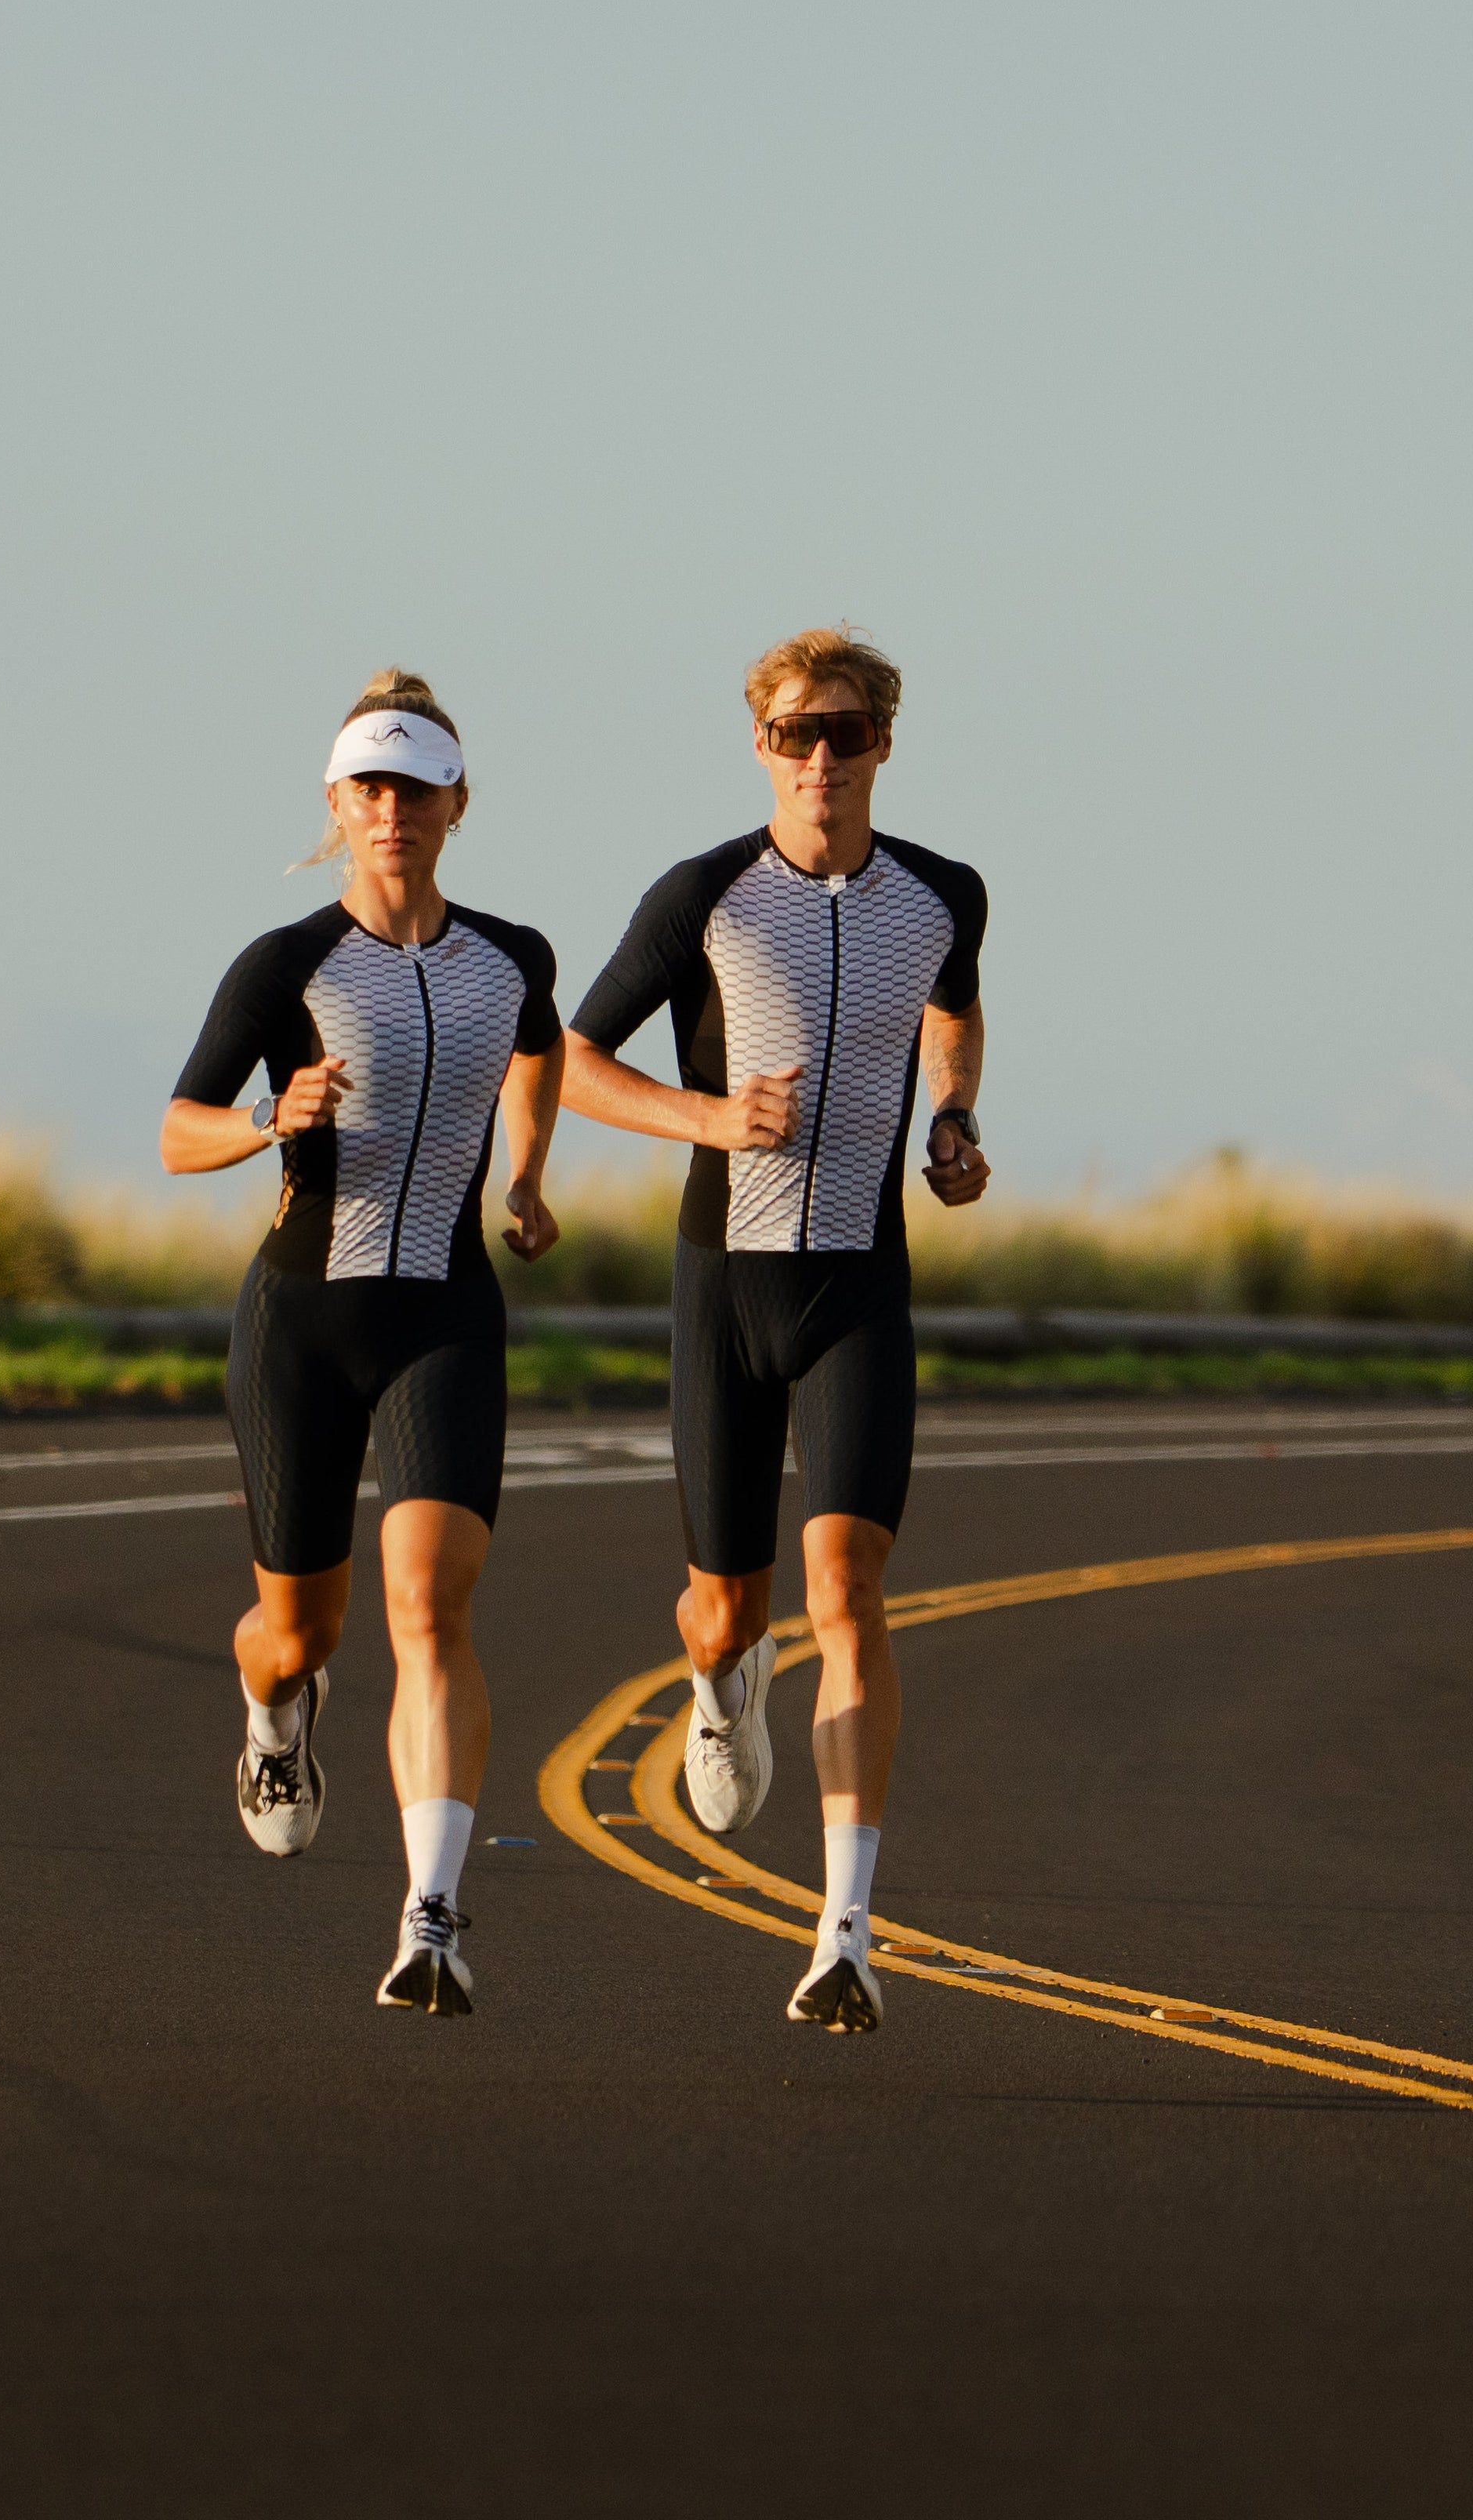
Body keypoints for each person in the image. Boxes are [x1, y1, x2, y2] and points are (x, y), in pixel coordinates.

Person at [561, 626, 987, 2032]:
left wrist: (953, 1117)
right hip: (723, 1281)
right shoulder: (704, 897)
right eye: (799, 734)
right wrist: (705, 1117)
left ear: (883, 746)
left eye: (849, 733)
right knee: (727, 1606)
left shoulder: (945, 894)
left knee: (848, 1595)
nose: (822, 758)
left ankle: (846, 1931)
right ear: (761, 747)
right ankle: (717, 1680)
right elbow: (566, 1056)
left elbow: (956, 1014)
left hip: (859, 1282)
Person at [161, 672, 563, 2016]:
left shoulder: (513, 955)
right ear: (338, 805)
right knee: (303, 1630)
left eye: (416, 787)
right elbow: (176, 1135)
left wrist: (524, 1175)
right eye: (368, 788)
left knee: (430, 1608)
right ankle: (276, 1710)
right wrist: (273, 1122)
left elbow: (540, 1048)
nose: (392, 810)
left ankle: (430, 1913)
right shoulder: (285, 965)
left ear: (458, 802)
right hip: (302, 1323)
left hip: (444, 1315)